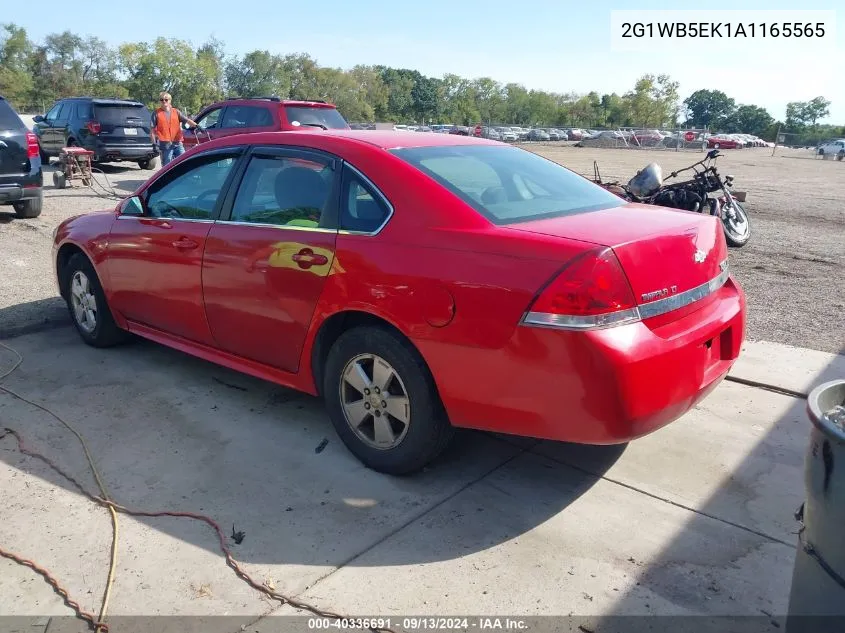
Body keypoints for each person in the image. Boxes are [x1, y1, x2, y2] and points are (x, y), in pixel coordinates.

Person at [150, 92, 199, 165]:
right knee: (167, 166)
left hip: (178, 143)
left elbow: (187, 120)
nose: (164, 101)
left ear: (170, 100)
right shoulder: (156, 113)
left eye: (166, 99)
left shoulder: (176, 112)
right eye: (162, 99)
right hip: (165, 145)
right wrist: (154, 145)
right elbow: (152, 131)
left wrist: (197, 126)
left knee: (183, 162)